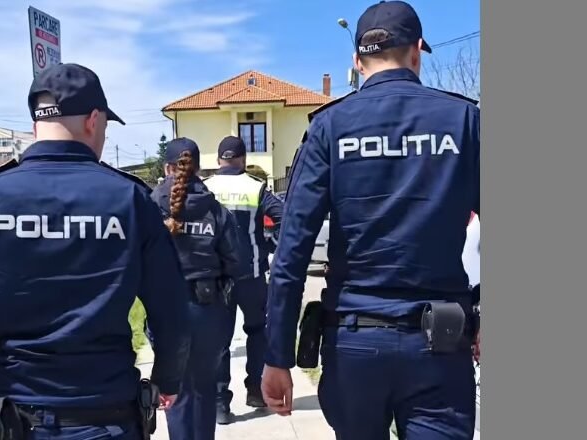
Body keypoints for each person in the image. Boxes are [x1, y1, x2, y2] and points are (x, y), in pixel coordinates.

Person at [261, 2, 480, 439]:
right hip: (441, 345)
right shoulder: (465, 121)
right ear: (417, 52)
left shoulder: (329, 127)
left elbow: (291, 251)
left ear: (357, 62)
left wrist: (277, 356)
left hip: (354, 344)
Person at [0, 62, 191, 440]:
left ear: (36, 124)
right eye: (105, 125)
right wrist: (168, 379)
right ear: (93, 120)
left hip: (9, 420)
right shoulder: (129, 199)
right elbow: (172, 314)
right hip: (107, 420)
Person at [147, 137, 248, 440]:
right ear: (199, 169)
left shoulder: (150, 206)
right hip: (207, 309)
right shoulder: (215, 210)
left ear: (167, 167)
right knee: (204, 387)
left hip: (165, 311)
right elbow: (236, 261)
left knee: (173, 388)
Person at [203, 136, 284, 424]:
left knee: (219, 341)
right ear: (243, 158)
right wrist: (269, 244)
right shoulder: (256, 187)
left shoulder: (206, 187)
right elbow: (285, 217)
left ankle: (220, 404)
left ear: (218, 160)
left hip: (216, 279)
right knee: (257, 332)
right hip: (250, 276)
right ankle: (255, 391)